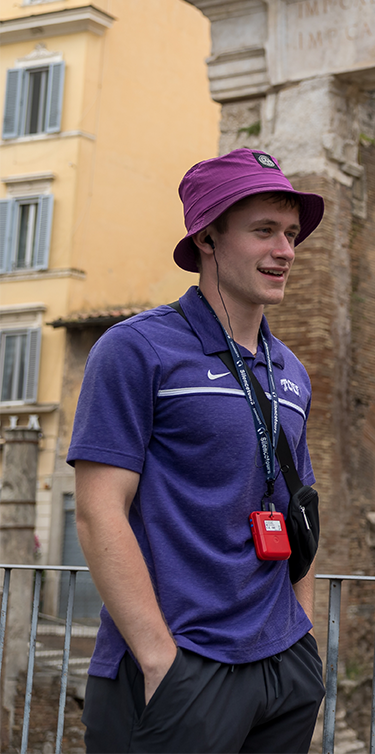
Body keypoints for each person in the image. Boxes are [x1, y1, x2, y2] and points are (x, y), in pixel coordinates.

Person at [69, 148, 326, 753]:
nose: (285, 251)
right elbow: (97, 509)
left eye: (291, 234)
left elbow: (301, 510)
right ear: (208, 237)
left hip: (282, 665)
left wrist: (303, 640)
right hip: (179, 664)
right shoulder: (136, 350)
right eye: (263, 231)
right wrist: (160, 660)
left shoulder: (289, 370)